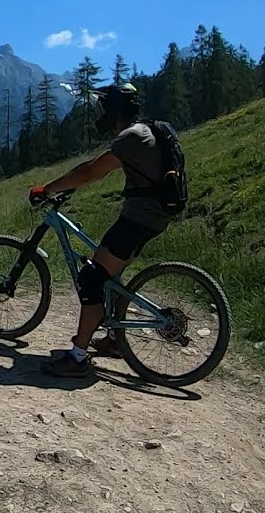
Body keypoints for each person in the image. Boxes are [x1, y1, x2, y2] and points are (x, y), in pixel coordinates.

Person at [29, 83, 172, 378]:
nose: (100, 113)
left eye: (103, 107)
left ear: (114, 110)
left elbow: (93, 171)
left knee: (91, 277)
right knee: (108, 269)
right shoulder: (146, 131)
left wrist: (49, 188)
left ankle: (78, 357)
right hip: (151, 216)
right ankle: (114, 341)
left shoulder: (132, 136)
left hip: (141, 217)